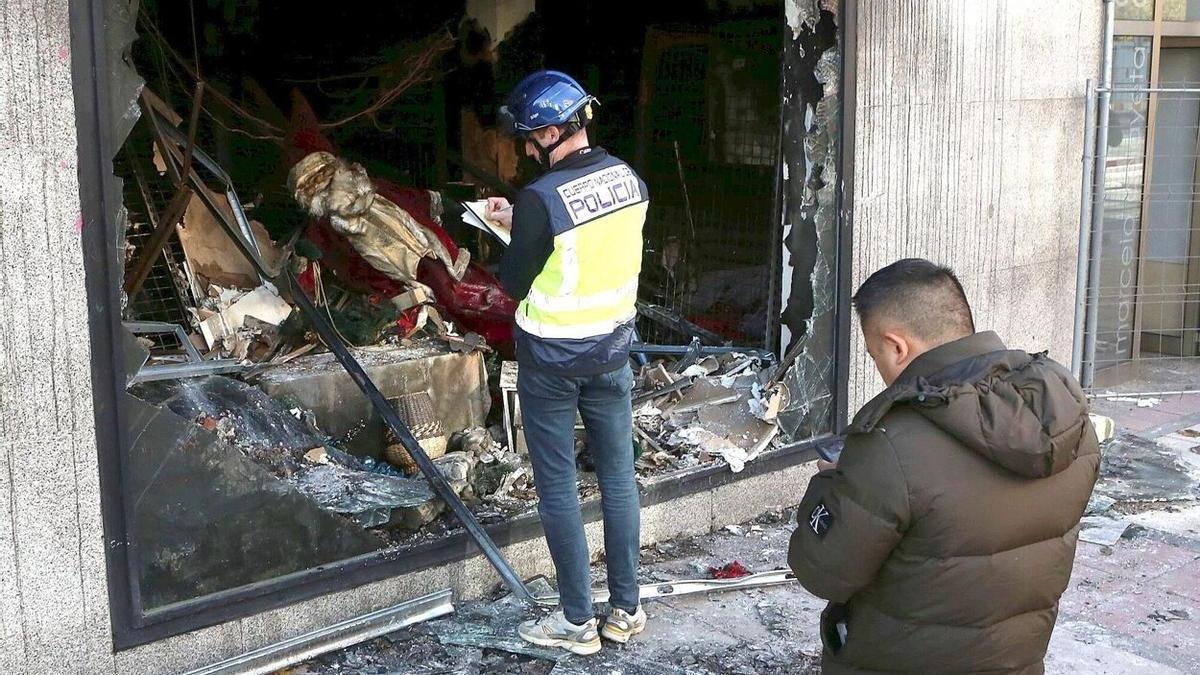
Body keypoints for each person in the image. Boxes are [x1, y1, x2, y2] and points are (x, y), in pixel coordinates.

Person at [788, 258, 1100, 674]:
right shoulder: (1069, 424)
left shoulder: (890, 445)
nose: (879, 369)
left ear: (897, 347)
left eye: (875, 355)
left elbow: (822, 572)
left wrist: (837, 487)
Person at [484, 70, 649, 656]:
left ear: (552, 132)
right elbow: (586, 241)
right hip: (612, 354)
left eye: (529, 140)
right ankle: (625, 611)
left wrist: (511, 226)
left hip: (552, 363)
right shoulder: (628, 179)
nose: (527, 151)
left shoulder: (541, 198)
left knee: (558, 487)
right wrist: (524, 222)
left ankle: (576, 621)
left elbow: (514, 283)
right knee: (618, 479)